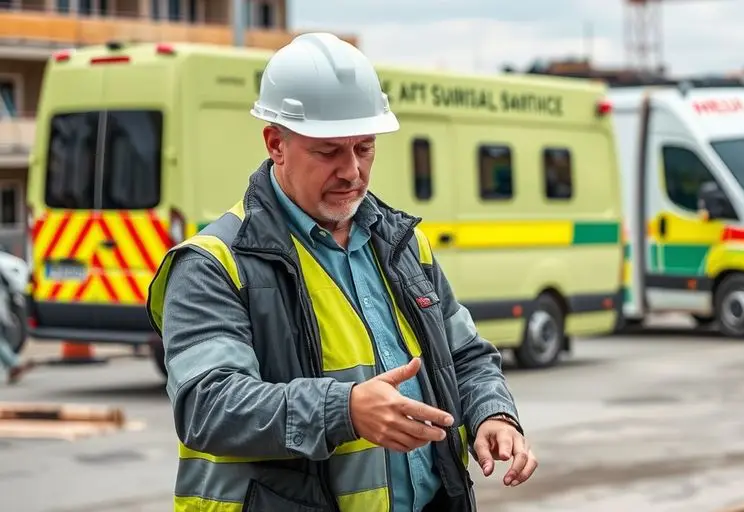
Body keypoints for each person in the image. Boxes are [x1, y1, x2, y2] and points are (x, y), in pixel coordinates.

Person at [145, 32, 537, 512]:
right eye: (328, 151)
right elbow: (209, 406)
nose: (352, 171)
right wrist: (345, 410)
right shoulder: (214, 263)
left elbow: (467, 357)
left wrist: (492, 414)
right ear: (276, 144)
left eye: (365, 148)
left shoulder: (404, 245)